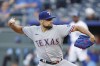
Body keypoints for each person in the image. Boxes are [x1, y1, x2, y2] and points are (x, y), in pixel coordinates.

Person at [8, 11, 95, 66]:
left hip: (60, 63)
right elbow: (19, 29)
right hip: (43, 64)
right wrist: (12, 25)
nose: (51, 21)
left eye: (51, 19)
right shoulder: (33, 30)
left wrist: (91, 35)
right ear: (41, 21)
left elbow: (77, 27)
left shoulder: (58, 28)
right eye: (48, 19)